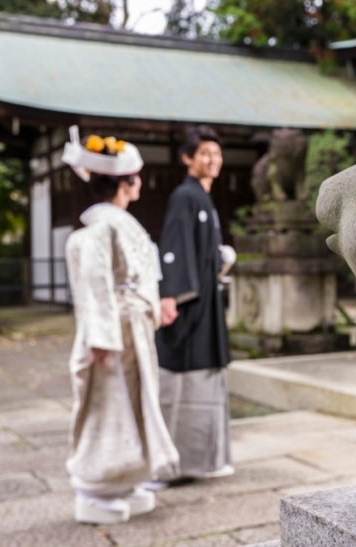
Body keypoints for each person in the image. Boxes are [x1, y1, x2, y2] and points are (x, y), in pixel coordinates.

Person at [62, 127, 179, 524]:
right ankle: (95, 486)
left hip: (131, 326)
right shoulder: (102, 227)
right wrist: (100, 337)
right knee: (109, 404)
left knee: (135, 401)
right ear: (126, 183)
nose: (140, 182)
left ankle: (128, 477)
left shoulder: (117, 223)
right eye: (137, 176)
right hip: (114, 331)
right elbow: (96, 284)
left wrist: (153, 307)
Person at [153, 125, 236, 485]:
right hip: (191, 306)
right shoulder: (185, 196)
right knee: (181, 378)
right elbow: (174, 246)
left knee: (206, 376)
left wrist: (220, 257)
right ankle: (172, 463)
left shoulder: (202, 198)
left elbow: (201, 253)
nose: (212, 159)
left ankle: (203, 460)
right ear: (188, 158)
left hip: (207, 304)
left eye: (216, 154)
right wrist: (170, 295)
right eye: (205, 153)